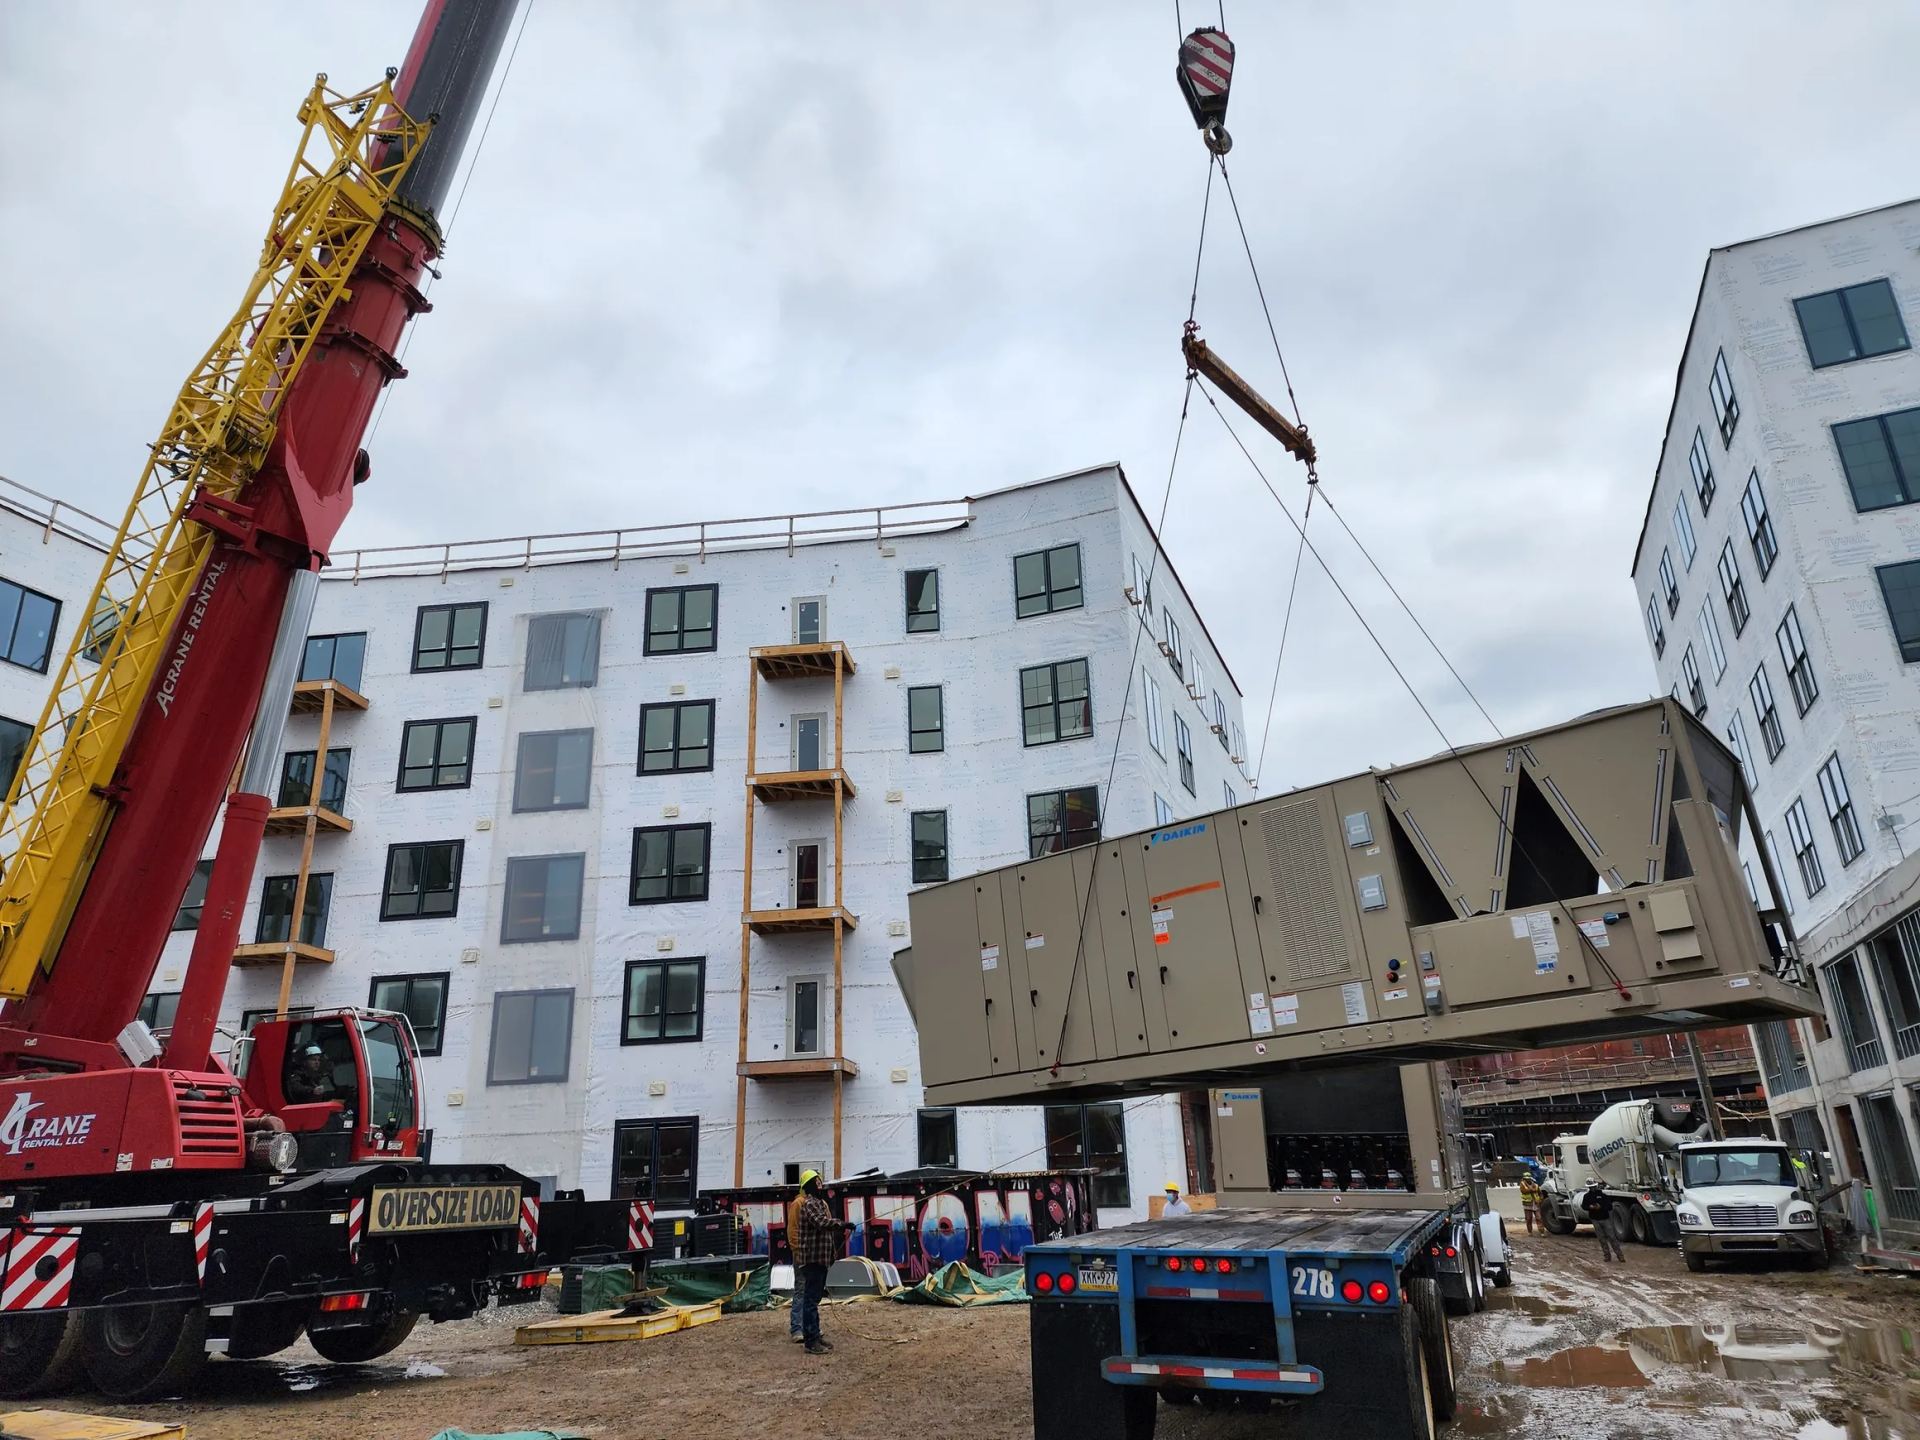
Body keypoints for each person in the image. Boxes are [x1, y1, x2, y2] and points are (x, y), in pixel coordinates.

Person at [793, 1170, 852, 1355]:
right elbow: (821, 1223)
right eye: (816, 1181)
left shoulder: (819, 1203)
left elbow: (824, 1229)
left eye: (820, 1181)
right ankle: (811, 1341)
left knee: (814, 1299)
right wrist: (842, 1224)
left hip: (821, 1259)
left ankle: (815, 1335)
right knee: (810, 1300)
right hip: (812, 1260)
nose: (820, 1183)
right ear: (810, 1185)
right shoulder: (809, 1204)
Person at [786, 1181, 808, 1343]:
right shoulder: (798, 1204)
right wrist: (796, 1250)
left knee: (812, 1292)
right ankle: (797, 1328)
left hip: (816, 1256)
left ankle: (810, 1328)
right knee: (801, 1289)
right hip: (802, 1253)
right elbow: (793, 1229)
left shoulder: (820, 1203)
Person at [1581, 1180, 1623, 1263]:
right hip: (1595, 1220)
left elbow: (1609, 1207)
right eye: (1590, 1187)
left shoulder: (1603, 1195)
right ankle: (1607, 1256)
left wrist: (1600, 1207)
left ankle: (1620, 1255)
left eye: (1593, 1186)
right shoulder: (1587, 1197)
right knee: (1601, 1239)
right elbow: (1583, 1206)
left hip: (1605, 1219)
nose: (1592, 1188)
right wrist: (1590, 1207)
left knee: (1612, 1237)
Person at [1518, 1171, 1543, 1235]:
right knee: (1528, 1218)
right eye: (1526, 1179)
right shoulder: (1522, 1184)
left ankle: (1542, 1231)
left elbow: (1540, 1193)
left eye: (1529, 1178)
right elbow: (1523, 1191)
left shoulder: (1536, 1185)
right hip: (1527, 1204)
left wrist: (1540, 1199)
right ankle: (1530, 1231)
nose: (1528, 1180)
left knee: (1539, 1217)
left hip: (1536, 1203)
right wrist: (1531, 1190)